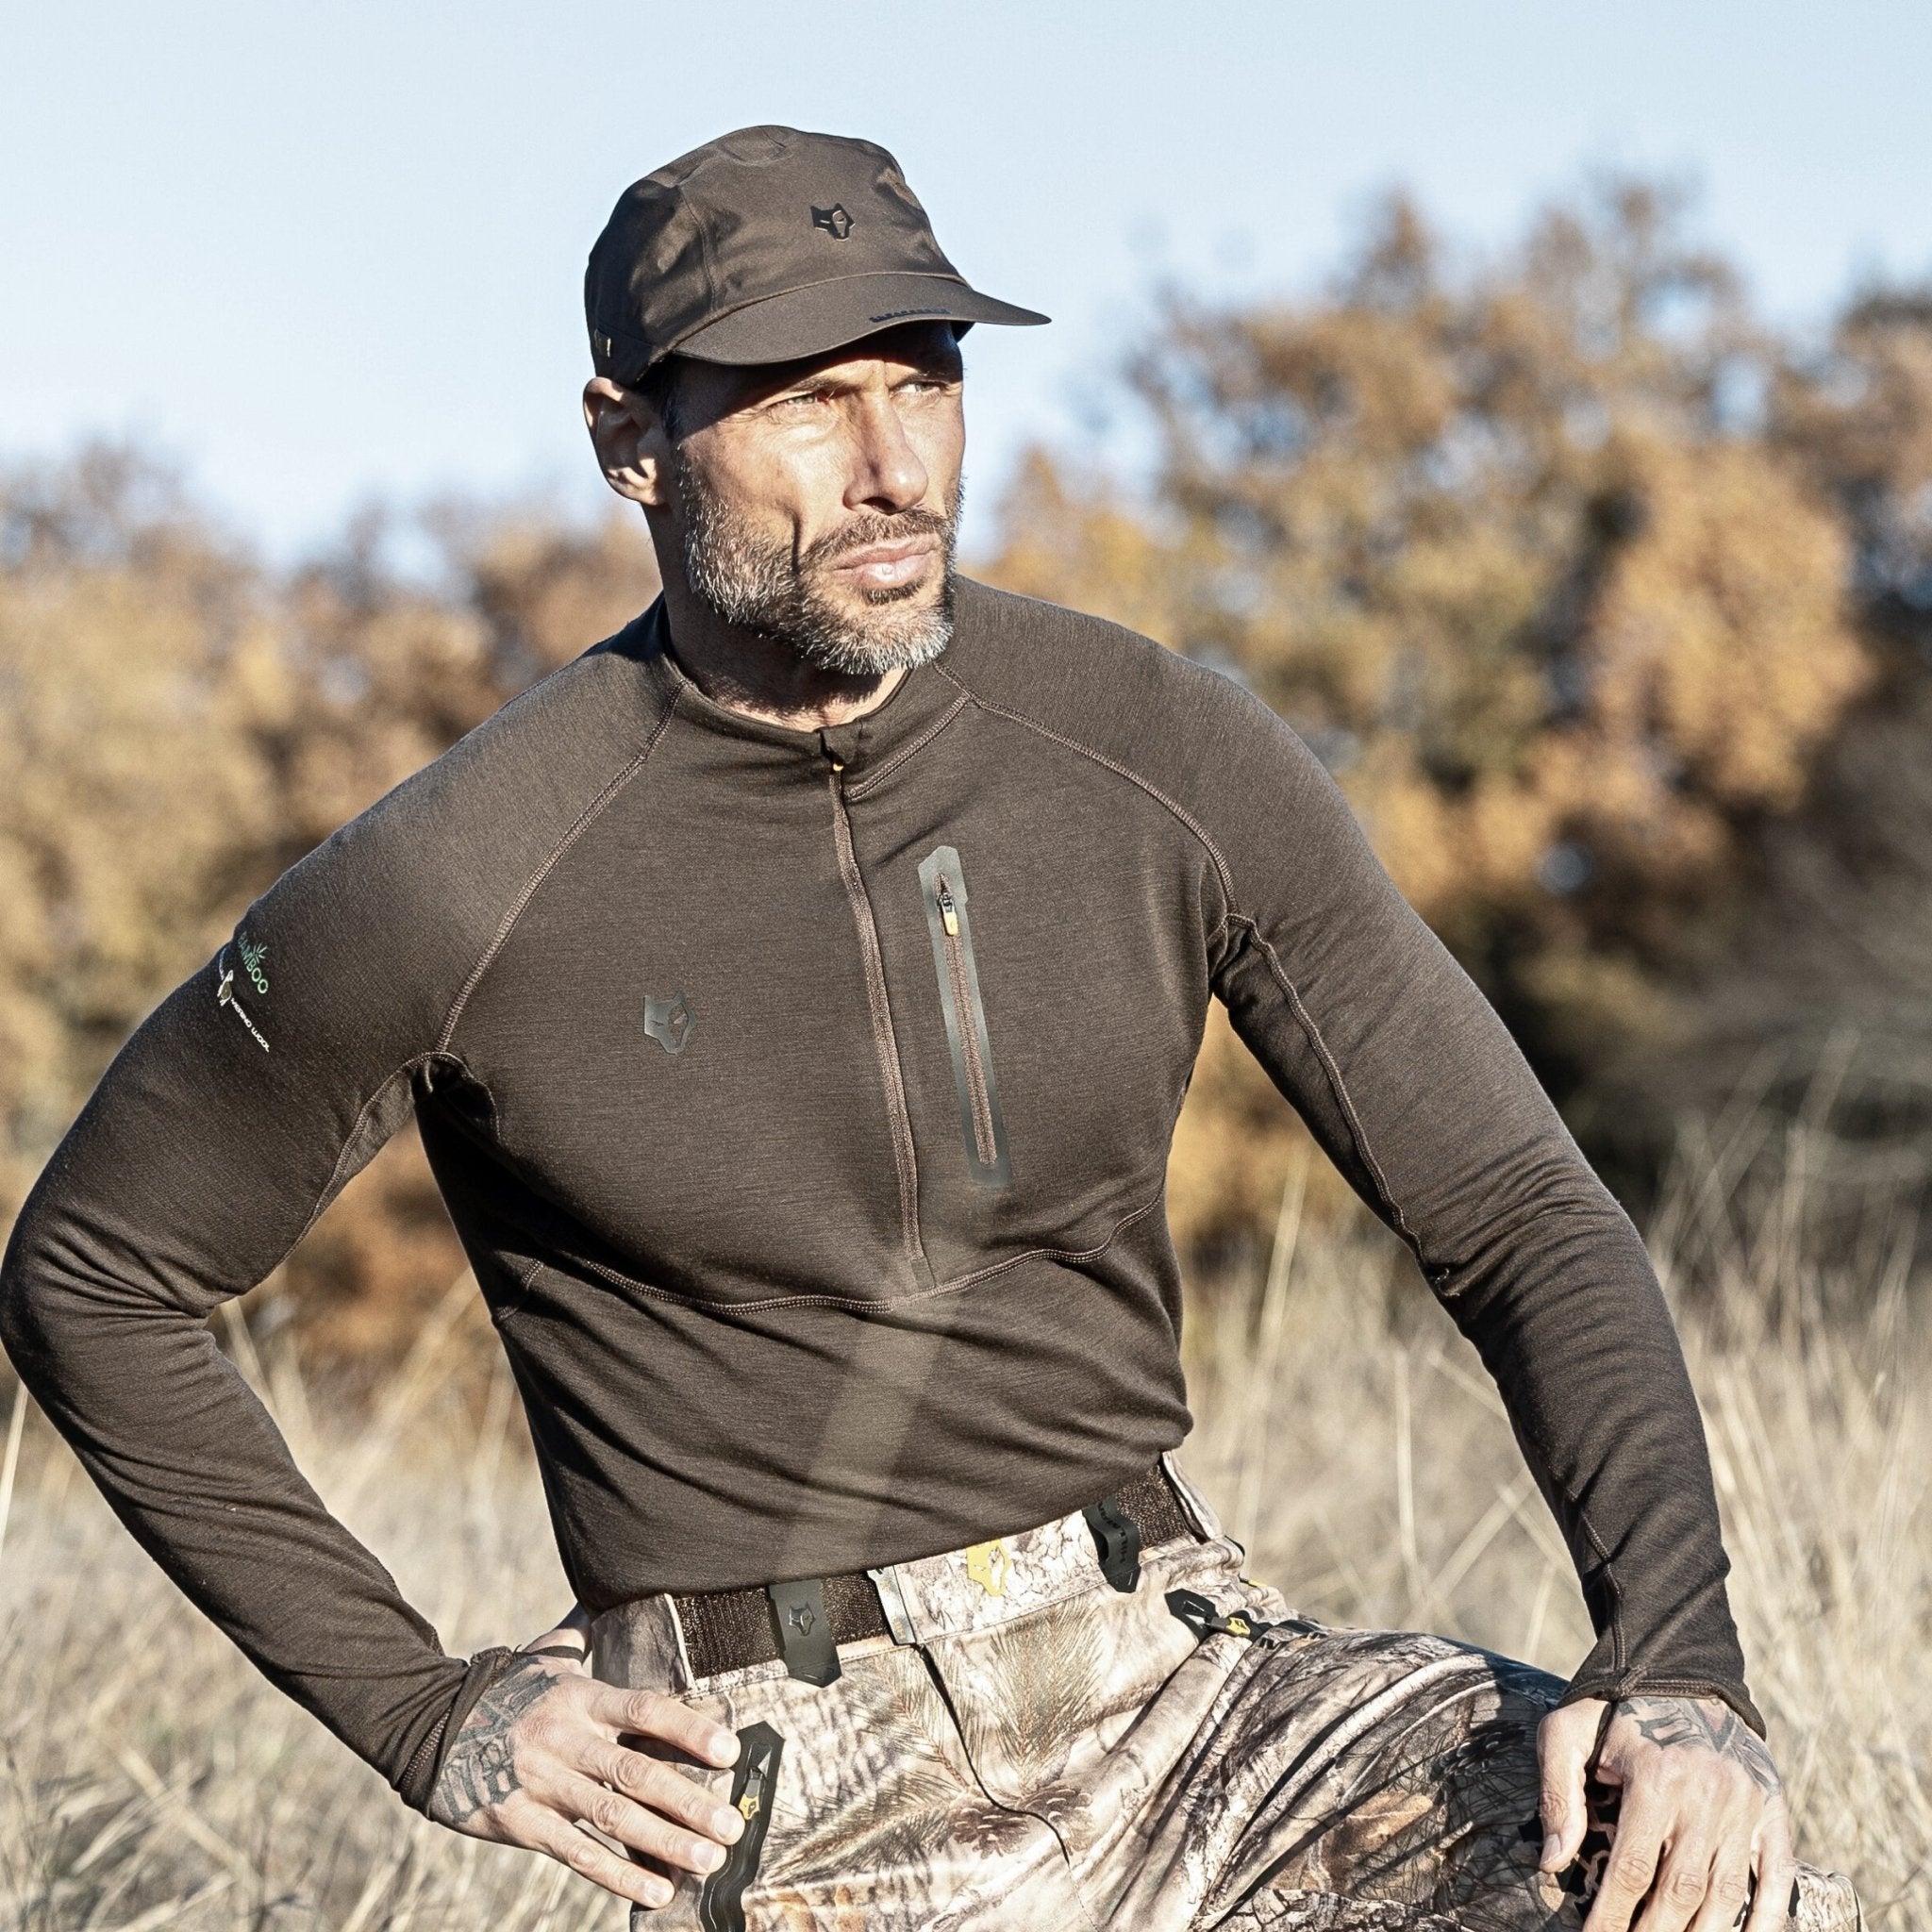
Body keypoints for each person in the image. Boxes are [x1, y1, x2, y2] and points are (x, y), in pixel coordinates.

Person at [0, 125, 1859, 1932]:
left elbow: (1518, 1210)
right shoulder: (454, 877)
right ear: (629, 439)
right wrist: (420, 1707)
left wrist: (1681, 1666)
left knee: (1693, 1886)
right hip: (792, 1788)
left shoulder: (1159, 750)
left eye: (925, 378)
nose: (892, 462)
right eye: (807, 400)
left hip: (1191, 1698)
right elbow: (97, 1272)